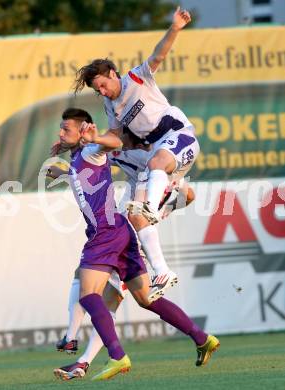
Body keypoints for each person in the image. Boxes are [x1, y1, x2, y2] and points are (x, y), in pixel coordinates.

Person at [51, 107, 219, 381]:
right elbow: (92, 167)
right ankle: (201, 337)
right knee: (145, 298)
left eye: (65, 128)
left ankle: (113, 355)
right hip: (121, 231)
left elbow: (113, 143)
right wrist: (62, 167)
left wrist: (93, 139)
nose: (60, 132)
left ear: (84, 129)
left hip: (105, 232)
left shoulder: (93, 148)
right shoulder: (83, 156)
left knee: (89, 294)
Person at [73, 6, 199, 294]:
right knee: (135, 217)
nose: (102, 92)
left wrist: (176, 28)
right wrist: (94, 138)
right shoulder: (111, 105)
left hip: (179, 136)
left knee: (155, 167)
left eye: (103, 85)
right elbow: (116, 139)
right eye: (98, 90)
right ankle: (163, 272)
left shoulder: (136, 78)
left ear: (113, 74)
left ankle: (161, 201)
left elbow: (159, 55)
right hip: (160, 156)